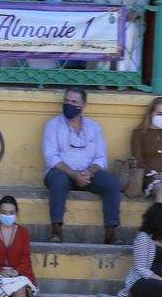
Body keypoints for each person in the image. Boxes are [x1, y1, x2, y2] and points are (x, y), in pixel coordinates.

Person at [41, 88, 119, 243]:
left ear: (83, 105)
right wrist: (73, 174)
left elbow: (101, 158)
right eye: (66, 101)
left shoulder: (94, 127)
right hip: (63, 173)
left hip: (88, 174)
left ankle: (111, 233)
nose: (68, 105)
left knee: (111, 182)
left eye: (74, 102)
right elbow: (51, 157)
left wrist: (89, 172)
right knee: (58, 180)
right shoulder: (53, 125)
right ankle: (56, 231)